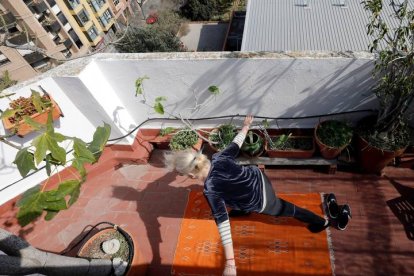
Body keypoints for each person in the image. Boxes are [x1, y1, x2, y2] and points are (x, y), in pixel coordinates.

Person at [164, 115, 330, 276]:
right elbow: (236, 145)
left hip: (263, 200)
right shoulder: (218, 157)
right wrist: (246, 125)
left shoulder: (211, 189)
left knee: (289, 209)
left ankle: (321, 222)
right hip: (260, 178)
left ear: (192, 175)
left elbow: (223, 223)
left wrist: (230, 262)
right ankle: (244, 209)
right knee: (232, 196)